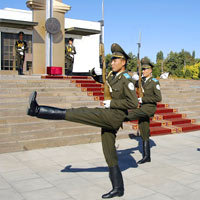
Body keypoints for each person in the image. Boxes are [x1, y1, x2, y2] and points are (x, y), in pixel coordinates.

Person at [27, 43, 139, 199]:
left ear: (123, 62)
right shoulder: (113, 76)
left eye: (115, 60)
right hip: (109, 116)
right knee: (109, 152)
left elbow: (133, 103)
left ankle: (37, 110)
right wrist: (95, 76)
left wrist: (112, 103)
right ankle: (118, 188)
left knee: (81, 113)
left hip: (114, 117)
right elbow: (108, 85)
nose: (112, 62)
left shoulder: (126, 79)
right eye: (111, 59)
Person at [125, 58, 162, 164]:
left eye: (145, 69)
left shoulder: (154, 82)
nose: (143, 71)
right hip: (143, 107)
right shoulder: (142, 81)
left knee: (132, 115)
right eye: (142, 69)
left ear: (150, 70)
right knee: (144, 129)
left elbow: (158, 98)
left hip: (149, 108)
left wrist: (143, 99)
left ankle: (121, 117)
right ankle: (147, 156)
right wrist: (129, 75)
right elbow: (130, 83)